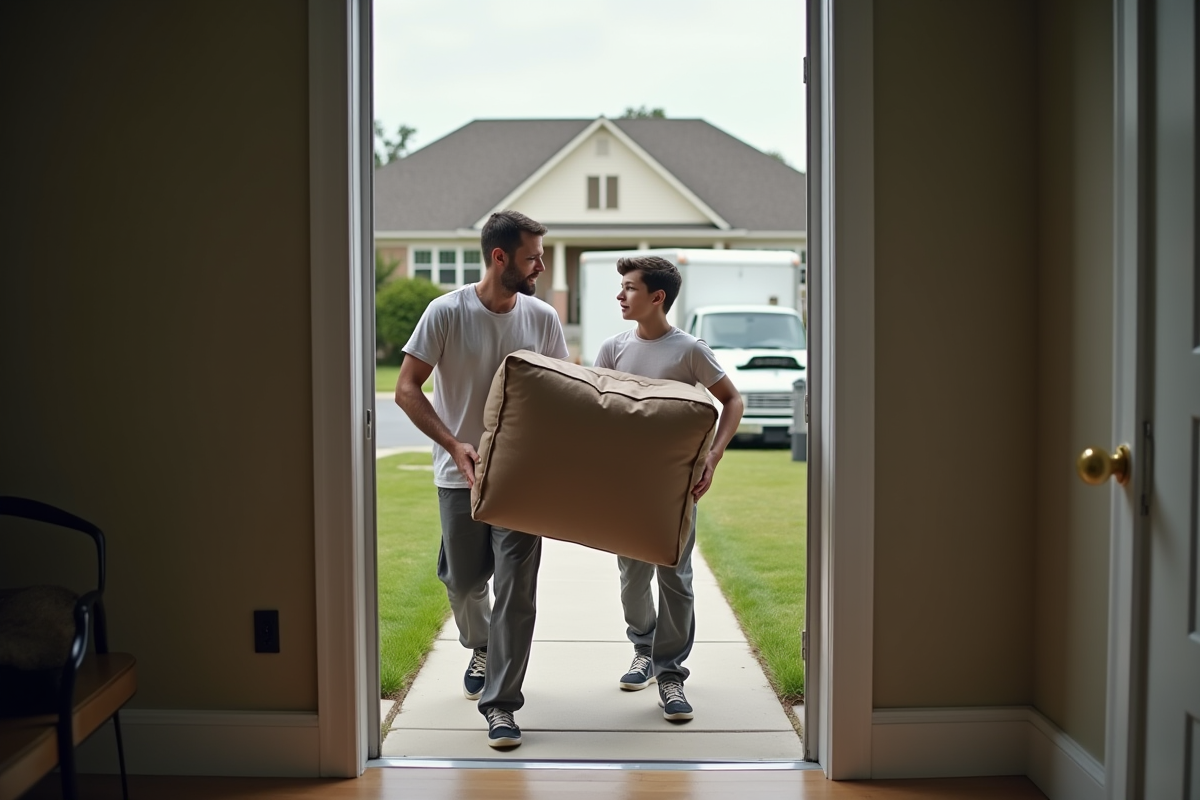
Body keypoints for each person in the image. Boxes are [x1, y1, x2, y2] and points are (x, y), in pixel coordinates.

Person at [394, 210, 568, 749]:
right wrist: (453, 444)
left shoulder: (542, 318)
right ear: (500, 257)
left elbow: (564, 392)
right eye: (533, 255)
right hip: (457, 474)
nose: (541, 263)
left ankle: (501, 705)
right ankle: (481, 645)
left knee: (516, 593)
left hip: (520, 480)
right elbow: (406, 388)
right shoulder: (445, 313)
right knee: (466, 583)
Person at [594, 255, 745, 722]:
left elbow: (732, 400)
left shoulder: (689, 351)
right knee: (633, 579)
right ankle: (643, 646)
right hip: (625, 487)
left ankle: (672, 672)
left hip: (675, 487)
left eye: (630, 288)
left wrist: (714, 455)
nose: (620, 295)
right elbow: (596, 411)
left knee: (674, 578)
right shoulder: (612, 348)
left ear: (657, 297)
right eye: (621, 287)